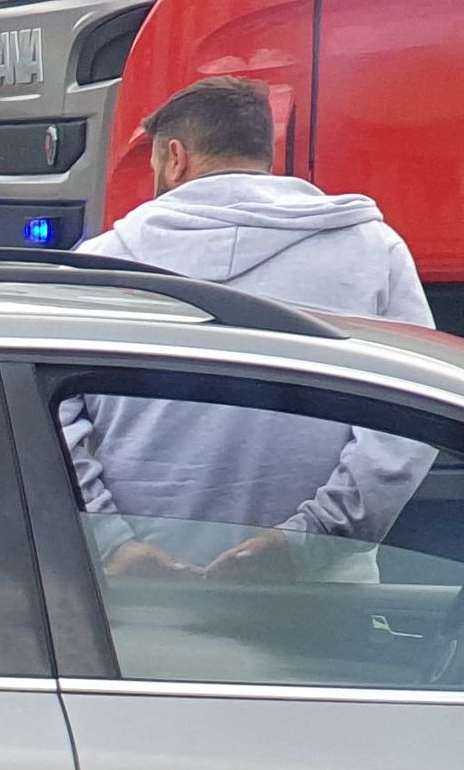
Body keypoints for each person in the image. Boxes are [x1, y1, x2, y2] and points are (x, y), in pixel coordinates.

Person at [67, 75, 433, 579]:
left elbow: (53, 420)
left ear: (175, 157)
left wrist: (110, 543)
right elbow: (408, 425)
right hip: (323, 599)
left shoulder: (100, 267)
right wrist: (307, 541)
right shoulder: (374, 253)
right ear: (266, 154)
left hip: (139, 599)